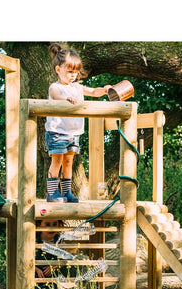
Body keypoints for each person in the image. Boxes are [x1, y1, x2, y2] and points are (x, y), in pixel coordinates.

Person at [45, 43, 111, 203]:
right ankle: (52, 193)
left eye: (75, 72)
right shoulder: (56, 87)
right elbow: (55, 95)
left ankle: (66, 192)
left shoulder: (77, 87)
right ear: (58, 69)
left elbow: (93, 91)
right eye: (69, 71)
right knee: (57, 161)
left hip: (73, 133)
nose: (73, 75)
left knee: (69, 162)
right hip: (58, 132)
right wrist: (65, 98)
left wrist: (104, 89)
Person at [34, 219, 63, 289]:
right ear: (39, 225)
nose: (51, 227)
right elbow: (26, 257)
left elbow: (64, 257)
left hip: (51, 276)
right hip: (35, 276)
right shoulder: (33, 238)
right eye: (47, 224)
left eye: (55, 224)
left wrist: (54, 267)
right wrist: (36, 269)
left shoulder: (59, 240)